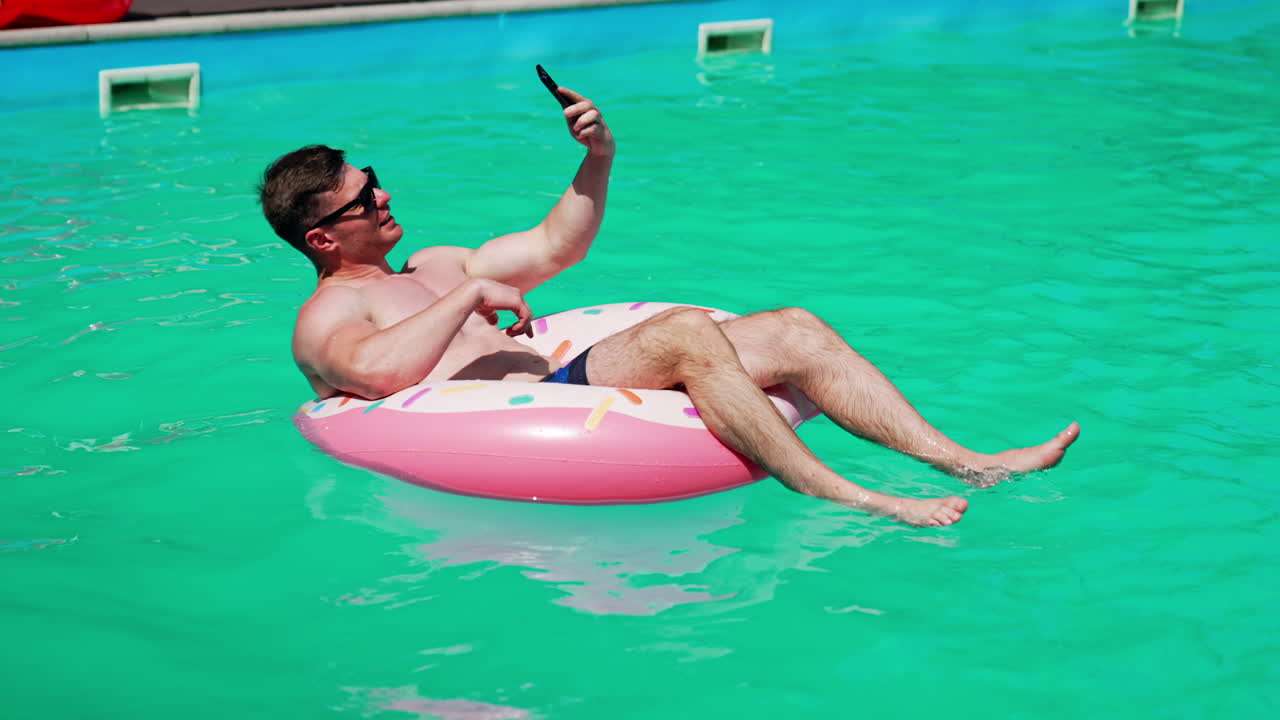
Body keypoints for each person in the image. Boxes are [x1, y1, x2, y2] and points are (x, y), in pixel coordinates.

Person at [258, 85, 1079, 527]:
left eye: (374, 181)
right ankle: (850, 496)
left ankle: (967, 461)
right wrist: (469, 294)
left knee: (794, 326)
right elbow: (377, 375)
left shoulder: (434, 261)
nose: (385, 195)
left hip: (568, 377)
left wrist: (597, 156)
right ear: (324, 237)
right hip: (535, 410)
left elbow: (554, 246)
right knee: (688, 334)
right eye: (366, 199)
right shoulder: (327, 319)